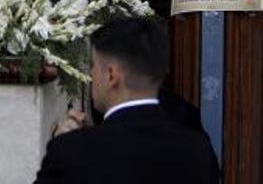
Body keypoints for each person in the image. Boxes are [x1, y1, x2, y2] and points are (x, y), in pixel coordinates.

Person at [33, 16, 219, 184]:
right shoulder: (198, 150)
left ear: (111, 75)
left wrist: (71, 143)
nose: (91, 75)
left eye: (94, 66)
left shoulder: (71, 152)